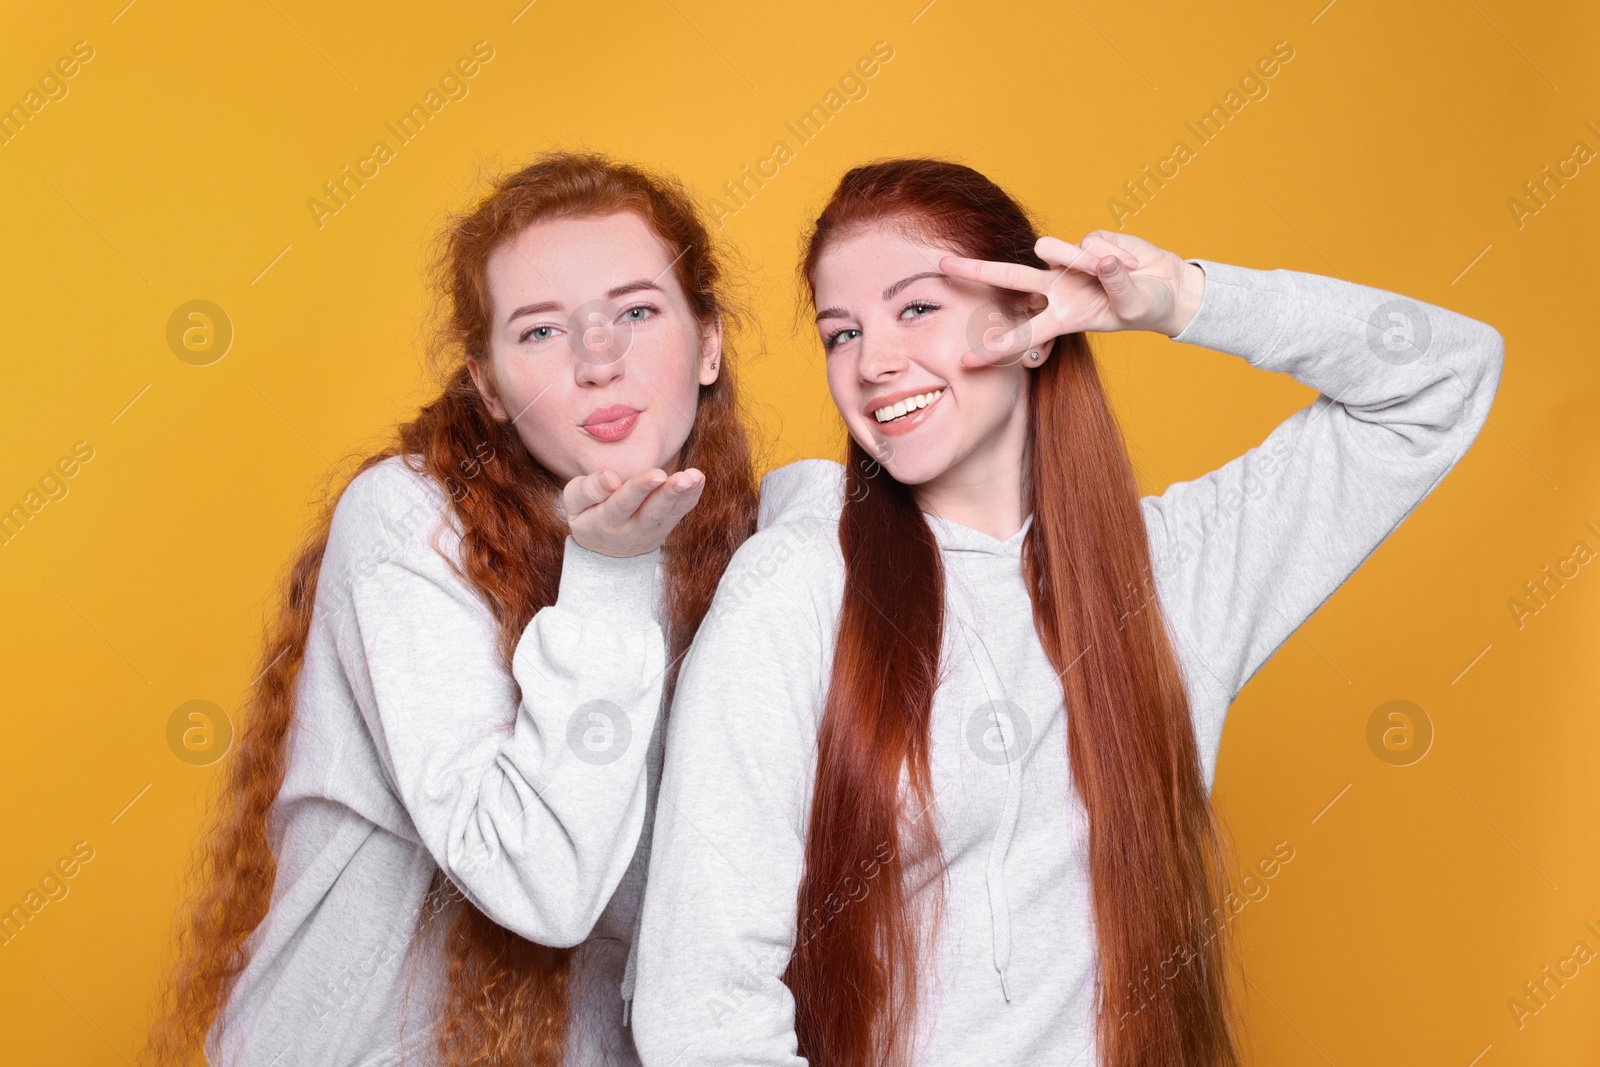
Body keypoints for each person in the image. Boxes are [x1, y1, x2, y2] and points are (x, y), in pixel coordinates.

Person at [630, 158, 1503, 1067]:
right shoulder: (796, 592)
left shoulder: (1173, 569)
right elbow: (701, 1009)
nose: (874, 361)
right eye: (841, 332)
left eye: (915, 308)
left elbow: (1444, 376)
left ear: (1031, 324)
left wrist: (1181, 301)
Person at [143, 151, 759, 1067]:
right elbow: (540, 882)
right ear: (490, 388)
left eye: (636, 311)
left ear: (707, 341)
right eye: (543, 331)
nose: (598, 359)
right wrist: (608, 574)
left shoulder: (751, 543)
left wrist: (1033, 354)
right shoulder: (406, 520)